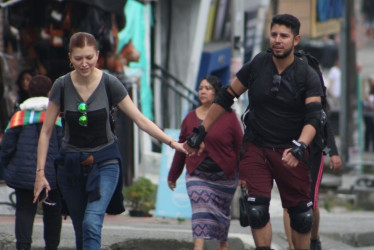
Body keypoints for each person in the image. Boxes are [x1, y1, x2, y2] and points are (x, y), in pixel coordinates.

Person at [32, 32, 187, 250]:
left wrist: (173, 143)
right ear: (70, 57)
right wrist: (40, 174)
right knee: (80, 230)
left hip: (105, 162)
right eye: (78, 59)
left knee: (91, 223)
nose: (84, 63)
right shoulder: (61, 85)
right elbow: (46, 131)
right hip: (71, 165)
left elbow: (140, 120)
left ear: (97, 55)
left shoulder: (110, 83)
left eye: (89, 57)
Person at [184, 14, 324, 250]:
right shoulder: (259, 64)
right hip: (257, 147)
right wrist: (202, 131)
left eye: (284, 36)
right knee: (257, 210)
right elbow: (226, 96)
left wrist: (300, 145)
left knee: (301, 216)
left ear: (296, 39)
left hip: (291, 150)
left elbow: (314, 117)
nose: (278, 40)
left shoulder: (306, 74)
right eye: (274, 35)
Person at [168, 76, 243, 250]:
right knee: (200, 209)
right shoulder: (190, 118)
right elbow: (182, 149)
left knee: (221, 215)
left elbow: (241, 147)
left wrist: (245, 175)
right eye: (201, 88)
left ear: (217, 92)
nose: (202, 91)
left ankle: (223, 245)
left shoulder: (230, 117)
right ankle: (198, 247)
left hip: (225, 176)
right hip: (197, 174)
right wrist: (173, 175)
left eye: (207, 88)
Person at [1, 75, 63, 250]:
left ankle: (23, 246)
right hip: (51, 174)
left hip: (23, 174)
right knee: (52, 212)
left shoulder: (19, 117)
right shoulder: (56, 117)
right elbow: (63, 146)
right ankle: (51, 247)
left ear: (29, 90)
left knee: (24, 211)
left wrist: (10, 166)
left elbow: (6, 146)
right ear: (50, 92)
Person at [283, 120, 342, 250]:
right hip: (288, 148)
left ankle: (314, 239)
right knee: (289, 202)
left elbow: (325, 124)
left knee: (309, 201)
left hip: (314, 151)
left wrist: (333, 152)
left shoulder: (315, 101)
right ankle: (292, 246)